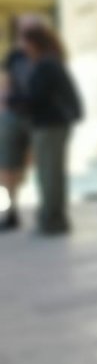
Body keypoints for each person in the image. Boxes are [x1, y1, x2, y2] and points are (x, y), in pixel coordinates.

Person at [20, 24, 83, 235]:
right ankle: (52, 217)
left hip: (51, 124)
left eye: (25, 42)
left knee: (50, 174)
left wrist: (13, 100)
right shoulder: (48, 62)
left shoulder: (46, 64)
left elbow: (38, 97)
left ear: (34, 43)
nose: (23, 47)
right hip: (50, 124)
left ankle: (53, 219)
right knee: (50, 172)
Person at [0, 15, 37, 231]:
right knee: (6, 166)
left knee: (25, 166)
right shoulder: (13, 56)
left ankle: (23, 207)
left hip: (36, 117)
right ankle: (11, 211)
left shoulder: (44, 54)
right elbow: (5, 82)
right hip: (11, 116)